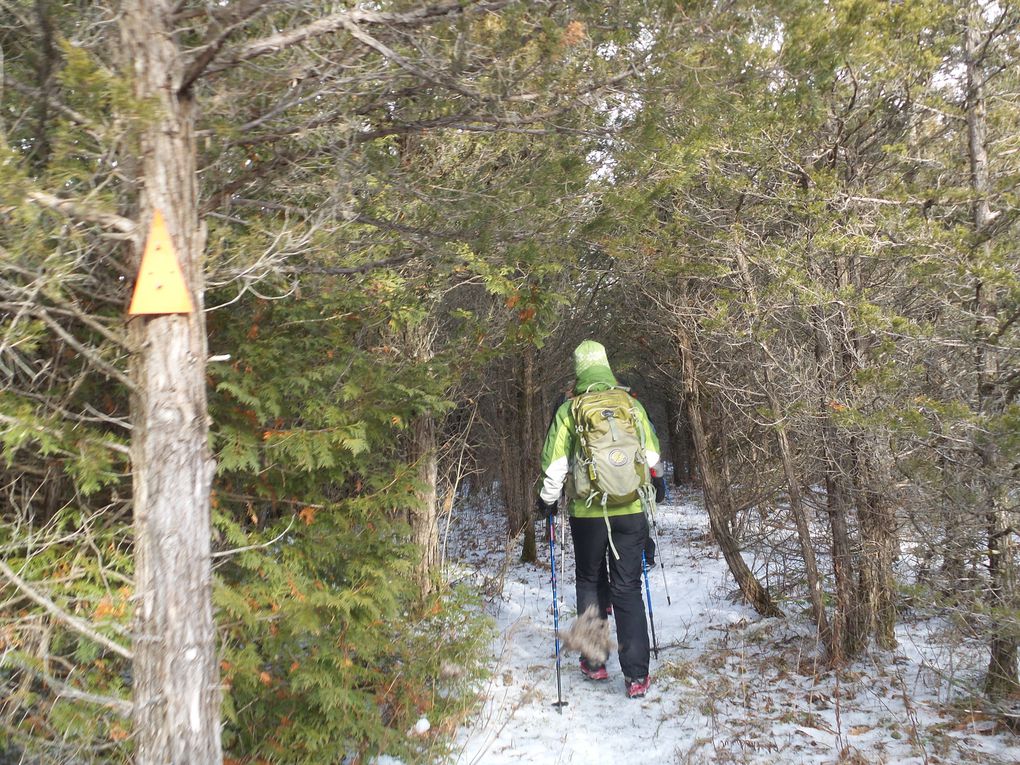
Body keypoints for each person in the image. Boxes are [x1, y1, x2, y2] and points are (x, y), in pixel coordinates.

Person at [535, 340, 664, 699]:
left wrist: (546, 502)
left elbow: (556, 466)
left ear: (579, 369)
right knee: (628, 588)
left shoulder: (570, 409)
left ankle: (595, 661)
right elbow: (652, 454)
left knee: (590, 580)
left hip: (587, 513)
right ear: (606, 366)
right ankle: (637, 675)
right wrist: (656, 482)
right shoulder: (630, 405)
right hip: (630, 510)